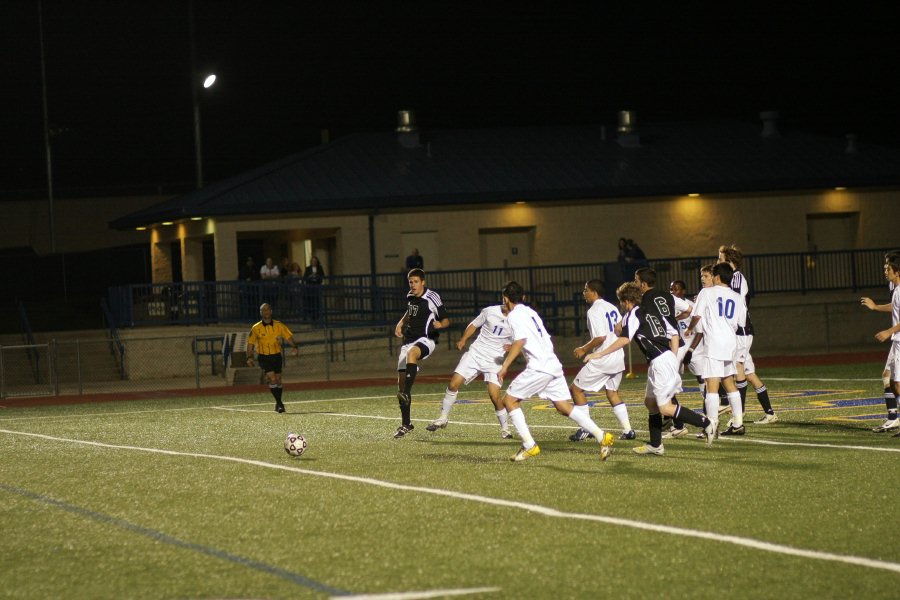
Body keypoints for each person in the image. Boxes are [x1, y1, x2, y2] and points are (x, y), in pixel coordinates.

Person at [586, 282, 715, 455]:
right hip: (662, 360)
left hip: (661, 362)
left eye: (621, 302)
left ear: (625, 301)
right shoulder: (651, 311)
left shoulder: (633, 315)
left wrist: (598, 354)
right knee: (650, 403)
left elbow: (623, 338)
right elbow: (674, 334)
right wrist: (673, 359)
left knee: (665, 408)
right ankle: (656, 445)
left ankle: (706, 424)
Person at [497, 281, 615, 462]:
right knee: (563, 407)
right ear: (523, 297)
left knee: (509, 400)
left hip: (539, 366)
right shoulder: (530, 312)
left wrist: (505, 366)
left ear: (505, 299)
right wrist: (514, 346)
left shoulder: (514, 316)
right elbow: (536, 339)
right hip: (552, 364)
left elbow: (521, 341)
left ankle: (529, 446)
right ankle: (602, 436)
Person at [425, 303, 514, 439]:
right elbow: (474, 325)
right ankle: (443, 418)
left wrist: (512, 345)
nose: (507, 302)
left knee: (494, 395)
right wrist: (463, 339)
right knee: (453, 384)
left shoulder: (519, 318)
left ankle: (505, 429)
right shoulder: (490, 311)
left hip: (495, 360)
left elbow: (522, 340)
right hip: (476, 353)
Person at [568, 279, 635, 442]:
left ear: (593, 292)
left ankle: (585, 428)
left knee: (575, 389)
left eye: (586, 290)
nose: (584, 293)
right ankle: (628, 430)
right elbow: (620, 331)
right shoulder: (612, 306)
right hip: (618, 356)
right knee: (612, 393)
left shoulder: (594, 310)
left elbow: (600, 337)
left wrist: (584, 349)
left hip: (603, 358)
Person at [686, 262, 748, 437]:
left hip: (714, 343)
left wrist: (690, 328)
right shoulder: (737, 297)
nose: (710, 278)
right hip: (731, 343)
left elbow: (696, 315)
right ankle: (738, 423)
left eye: (712, 275)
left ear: (718, 277)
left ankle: (711, 426)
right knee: (729, 382)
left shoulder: (707, 292)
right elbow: (741, 323)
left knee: (711, 386)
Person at [718, 244, 778, 424]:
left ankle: (740, 413)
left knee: (738, 369)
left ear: (729, 261)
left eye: (720, 259)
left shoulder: (736, 278)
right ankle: (770, 413)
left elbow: (735, 301)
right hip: (740, 331)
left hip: (741, 330)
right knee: (749, 373)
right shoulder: (733, 278)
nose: (717, 261)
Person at [393, 268, 450, 439]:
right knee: (401, 384)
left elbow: (446, 319)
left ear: (423, 282)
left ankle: (407, 387)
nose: (413, 285)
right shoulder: (410, 296)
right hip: (409, 341)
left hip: (426, 340)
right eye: (411, 282)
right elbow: (410, 313)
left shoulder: (432, 297)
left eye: (416, 281)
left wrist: (441, 325)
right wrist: (400, 323)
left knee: (412, 354)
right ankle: (406, 424)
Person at [860, 251, 900, 435]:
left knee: (897, 384)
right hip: (897, 340)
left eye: (887, 267)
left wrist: (889, 331)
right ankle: (893, 418)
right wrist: (875, 307)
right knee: (887, 377)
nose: (884, 270)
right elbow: (895, 306)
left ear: (897, 271)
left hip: (899, 339)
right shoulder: (895, 287)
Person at [246, 303, 299, 413]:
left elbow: (288, 337)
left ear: (271, 311)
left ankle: (278, 402)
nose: (266, 312)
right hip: (264, 357)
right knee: (272, 378)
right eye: (263, 310)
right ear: (260, 313)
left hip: (276, 356)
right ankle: (280, 404)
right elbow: (250, 344)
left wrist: (294, 347)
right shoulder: (256, 328)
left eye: (267, 309)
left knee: (278, 380)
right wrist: (249, 357)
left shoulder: (279, 325)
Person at [303, 256, 326, 321]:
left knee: (318, 301)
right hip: (310, 286)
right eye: (312, 261)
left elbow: (323, 275)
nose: (314, 262)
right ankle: (312, 315)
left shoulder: (319, 268)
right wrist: (310, 276)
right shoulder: (308, 268)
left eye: (315, 261)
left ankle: (318, 315)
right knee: (311, 301)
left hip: (317, 286)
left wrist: (317, 276)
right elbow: (305, 276)